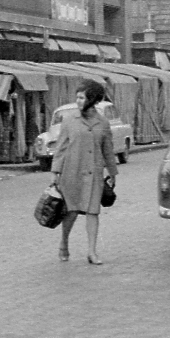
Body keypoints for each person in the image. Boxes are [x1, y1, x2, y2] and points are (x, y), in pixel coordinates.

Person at [52, 80, 118, 265]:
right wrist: (55, 172)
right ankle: (64, 243)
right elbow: (61, 148)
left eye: (82, 97)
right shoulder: (69, 120)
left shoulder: (103, 123)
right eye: (77, 97)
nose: (78, 101)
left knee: (93, 212)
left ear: (93, 99)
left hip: (94, 173)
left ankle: (92, 252)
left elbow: (108, 150)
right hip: (71, 172)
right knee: (71, 212)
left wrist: (112, 172)